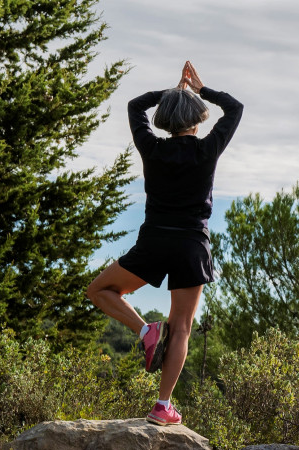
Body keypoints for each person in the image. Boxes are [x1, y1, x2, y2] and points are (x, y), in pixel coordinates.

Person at [84, 61, 241, 426]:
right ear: (197, 120)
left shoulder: (151, 148)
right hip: (191, 245)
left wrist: (170, 93)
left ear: (167, 119)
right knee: (182, 327)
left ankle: (145, 330)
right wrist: (199, 89)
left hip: (154, 240)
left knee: (99, 291)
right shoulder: (207, 150)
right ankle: (162, 405)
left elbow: (135, 105)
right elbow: (235, 108)